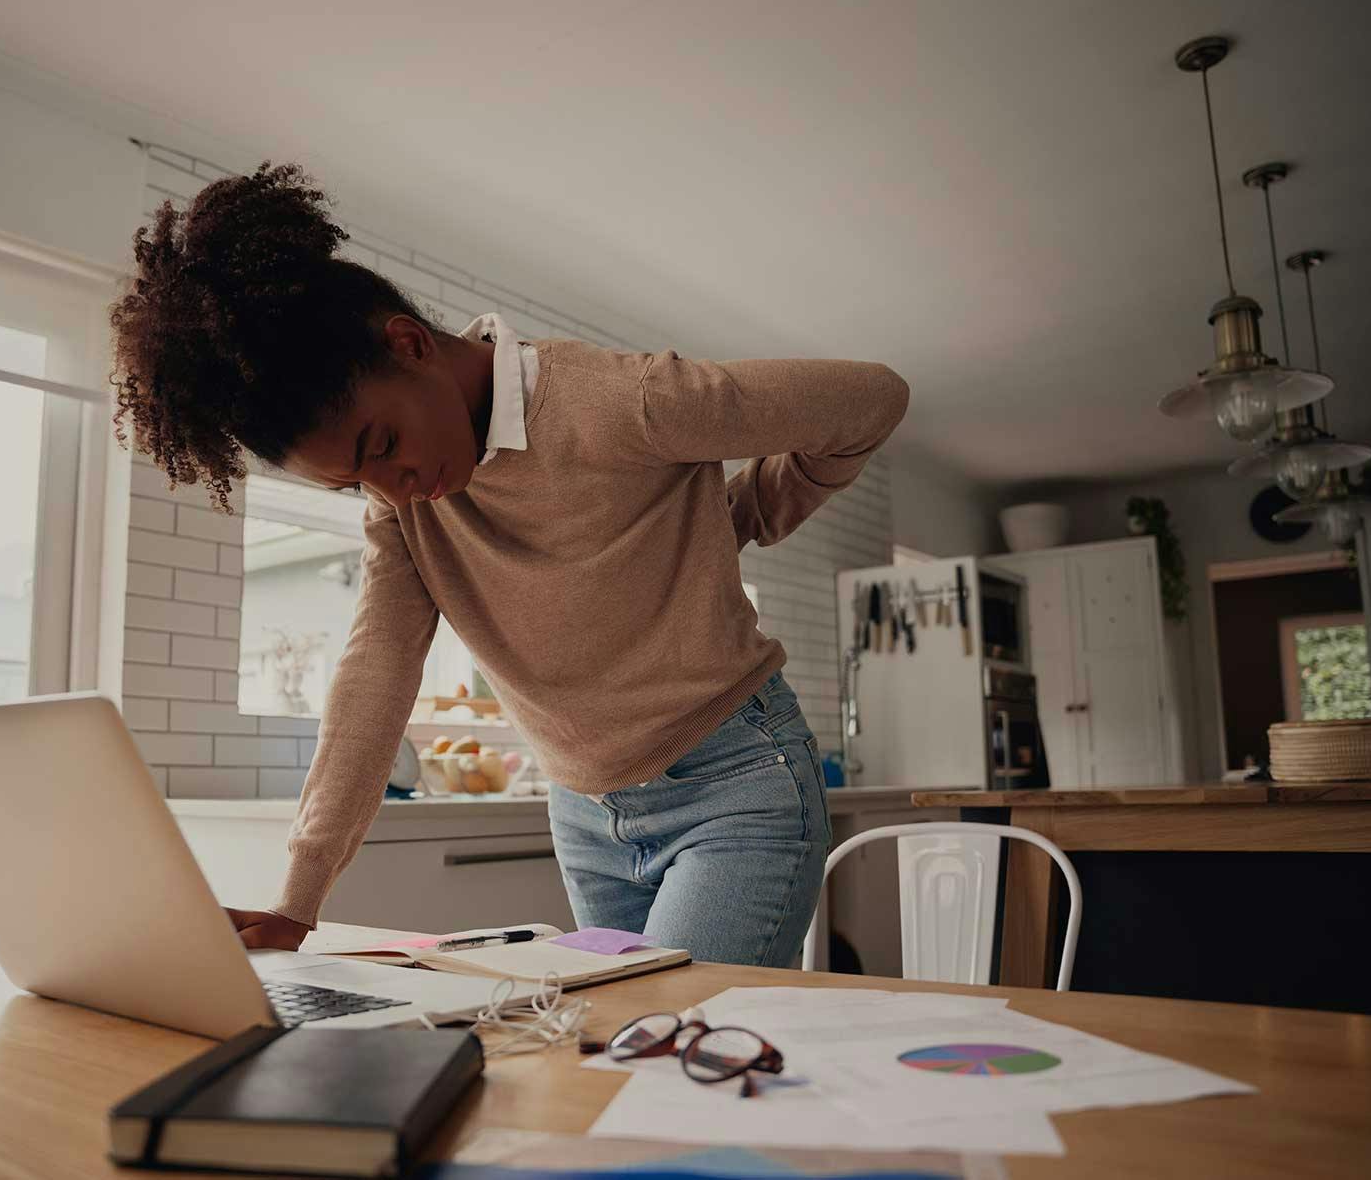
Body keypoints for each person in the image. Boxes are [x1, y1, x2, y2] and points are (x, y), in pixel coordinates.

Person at [109, 162, 907, 967]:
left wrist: (737, 520)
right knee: (614, 1051)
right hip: (585, 815)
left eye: (381, 445)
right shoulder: (401, 508)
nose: (394, 488)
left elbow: (872, 400)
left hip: (734, 781)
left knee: (664, 1048)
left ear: (412, 344)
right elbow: (377, 669)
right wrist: (298, 898)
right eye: (359, 481)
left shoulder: (622, 403)